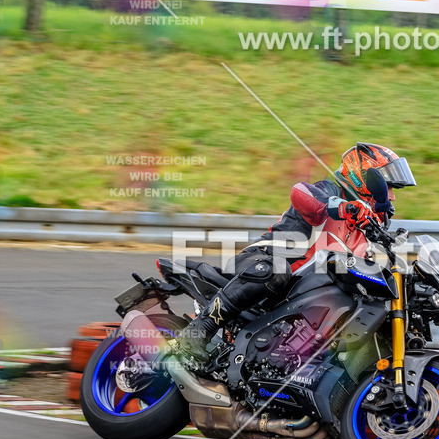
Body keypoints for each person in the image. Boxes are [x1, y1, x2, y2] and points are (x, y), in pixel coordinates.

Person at [169, 143, 416, 365]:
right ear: (366, 178)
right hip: (262, 263)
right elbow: (301, 193)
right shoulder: (330, 191)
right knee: (275, 270)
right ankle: (197, 332)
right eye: (389, 188)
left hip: (299, 294)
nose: (392, 197)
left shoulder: (362, 234)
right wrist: (344, 206)